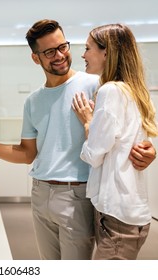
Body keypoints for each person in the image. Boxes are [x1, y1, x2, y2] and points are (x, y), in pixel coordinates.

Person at [0, 19, 156, 260]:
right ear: (35, 57)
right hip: (40, 193)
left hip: (78, 195)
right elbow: (27, 153)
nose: (60, 55)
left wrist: (149, 150)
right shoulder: (33, 101)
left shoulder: (98, 84)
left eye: (63, 47)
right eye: (50, 51)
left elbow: (130, 129)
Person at [71, 24, 158, 260]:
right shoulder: (132, 91)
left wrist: (89, 122)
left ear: (106, 52)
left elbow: (93, 154)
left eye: (88, 48)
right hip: (130, 213)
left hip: (117, 218)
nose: (83, 54)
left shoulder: (110, 91)